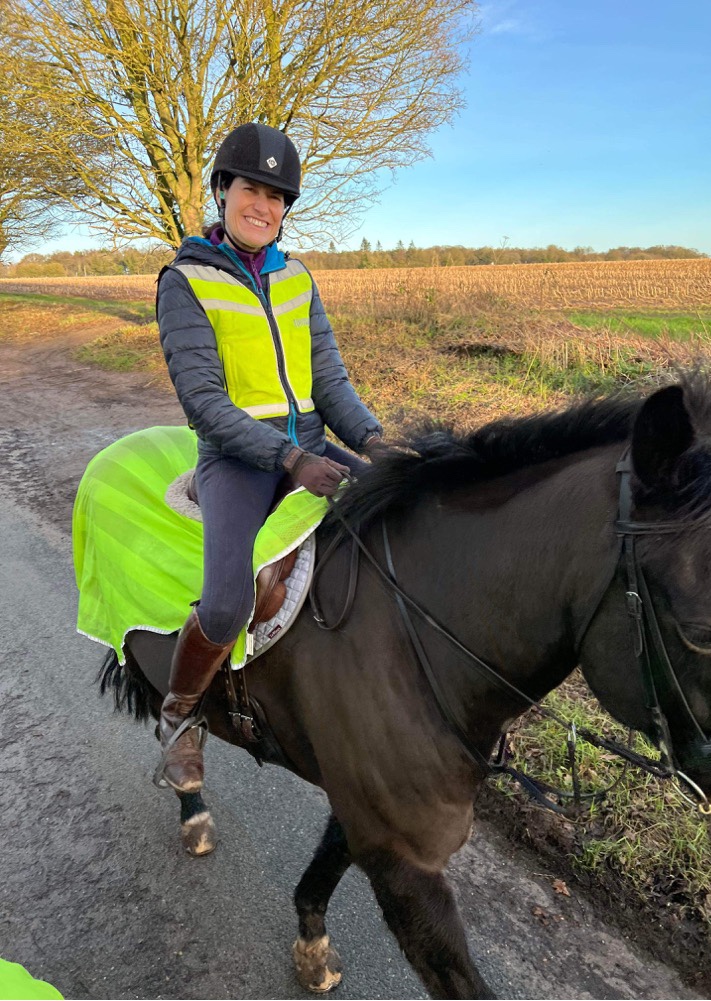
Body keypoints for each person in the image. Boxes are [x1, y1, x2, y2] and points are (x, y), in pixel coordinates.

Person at [155, 122, 385, 793]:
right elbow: (204, 402)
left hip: (310, 446)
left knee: (407, 514)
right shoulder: (185, 281)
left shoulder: (298, 278)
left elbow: (330, 380)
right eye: (252, 189)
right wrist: (287, 460)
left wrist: (375, 442)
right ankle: (179, 715)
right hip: (237, 460)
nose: (264, 206)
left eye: (277, 196)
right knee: (229, 603)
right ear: (222, 191)